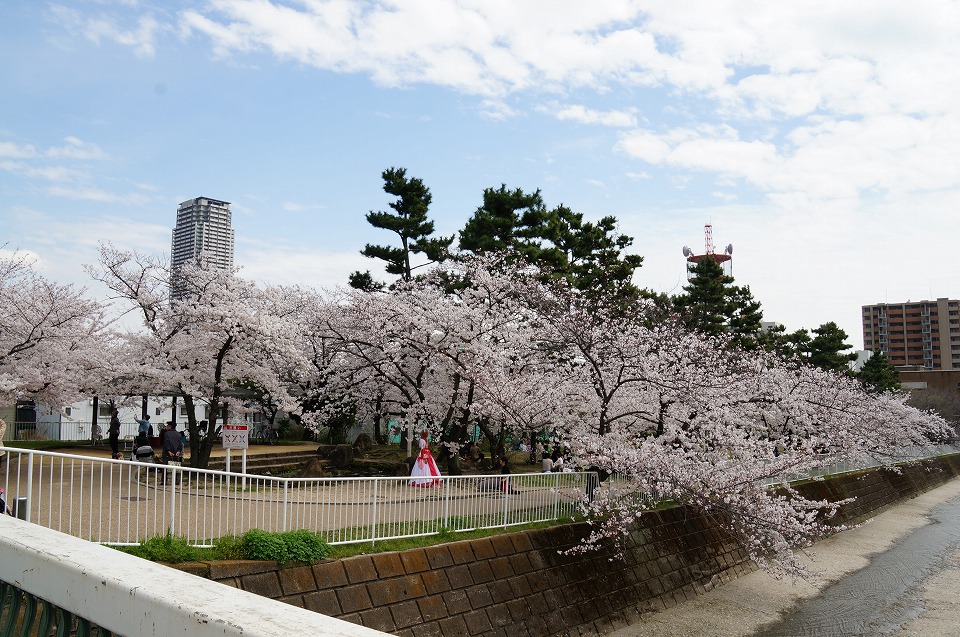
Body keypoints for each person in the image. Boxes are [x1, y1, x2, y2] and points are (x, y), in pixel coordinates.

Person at [161, 421, 183, 485]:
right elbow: (180, 444)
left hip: (167, 454)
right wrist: (178, 451)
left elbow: (166, 443)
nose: (166, 427)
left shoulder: (166, 434)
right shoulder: (179, 434)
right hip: (176, 453)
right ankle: (177, 481)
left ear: (170, 426)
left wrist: (169, 450)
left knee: (165, 468)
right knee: (177, 468)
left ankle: (164, 481)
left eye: (167, 426)